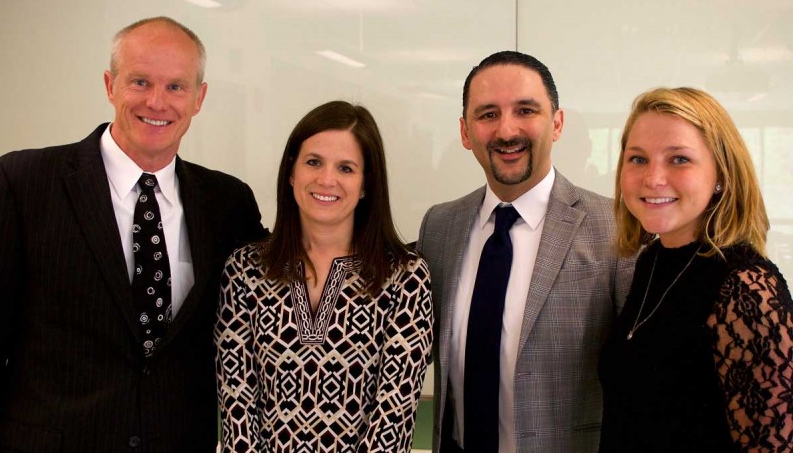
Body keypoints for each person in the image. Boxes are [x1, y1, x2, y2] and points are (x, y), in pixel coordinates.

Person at [0, 17, 267, 452]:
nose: (157, 102)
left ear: (199, 98)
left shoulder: (228, 203)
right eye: (140, 81)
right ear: (110, 85)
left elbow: (292, 276)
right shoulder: (22, 182)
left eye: (176, 87)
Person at [417, 50, 634, 452]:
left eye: (525, 110)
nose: (506, 131)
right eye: (488, 115)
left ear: (557, 123)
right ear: (465, 133)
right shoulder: (439, 228)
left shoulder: (617, 228)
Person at [215, 100, 433, 452]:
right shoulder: (244, 270)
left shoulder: (404, 277)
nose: (326, 179)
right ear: (291, 172)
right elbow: (237, 405)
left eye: (346, 168)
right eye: (313, 162)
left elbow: (394, 413)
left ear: (365, 185)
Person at [598, 87, 793, 451]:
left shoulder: (746, 288)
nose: (653, 178)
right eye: (638, 159)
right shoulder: (651, 261)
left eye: (679, 160)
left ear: (721, 174)